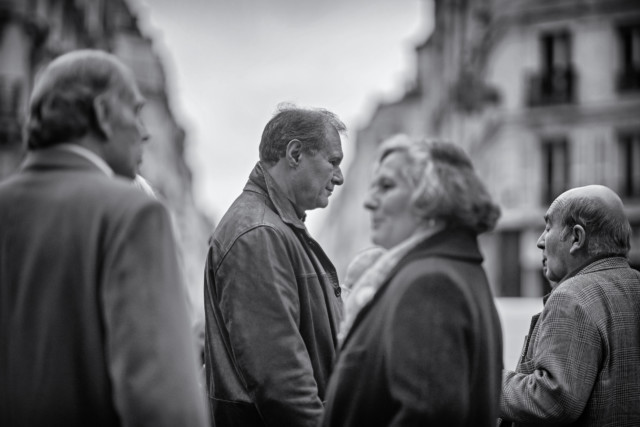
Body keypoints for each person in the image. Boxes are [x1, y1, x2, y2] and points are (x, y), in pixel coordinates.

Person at [0, 50, 207, 427]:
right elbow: (164, 404)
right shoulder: (133, 214)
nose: (144, 132)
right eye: (136, 111)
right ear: (102, 114)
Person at [321, 135, 504, 427]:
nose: (369, 201)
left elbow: (429, 415)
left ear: (432, 196)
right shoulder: (447, 271)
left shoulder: (431, 283)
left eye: (387, 186)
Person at [204, 104, 346, 426]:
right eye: (333, 162)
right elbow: (283, 384)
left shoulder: (275, 227)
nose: (339, 177)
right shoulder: (258, 233)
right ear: (295, 154)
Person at [499, 185, 640, 426]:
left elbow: (551, 401)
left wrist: (484, 383)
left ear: (577, 238)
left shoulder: (571, 297)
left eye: (548, 227)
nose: (540, 242)